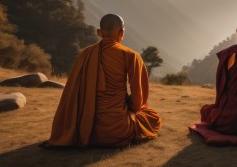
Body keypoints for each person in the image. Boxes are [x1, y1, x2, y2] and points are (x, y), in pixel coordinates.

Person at [43, 14, 161, 147]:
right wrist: (129, 106)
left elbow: (72, 92)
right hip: (117, 129)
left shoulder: (85, 54)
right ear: (122, 33)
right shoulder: (130, 55)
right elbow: (139, 100)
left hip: (84, 128)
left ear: (99, 32)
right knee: (152, 117)